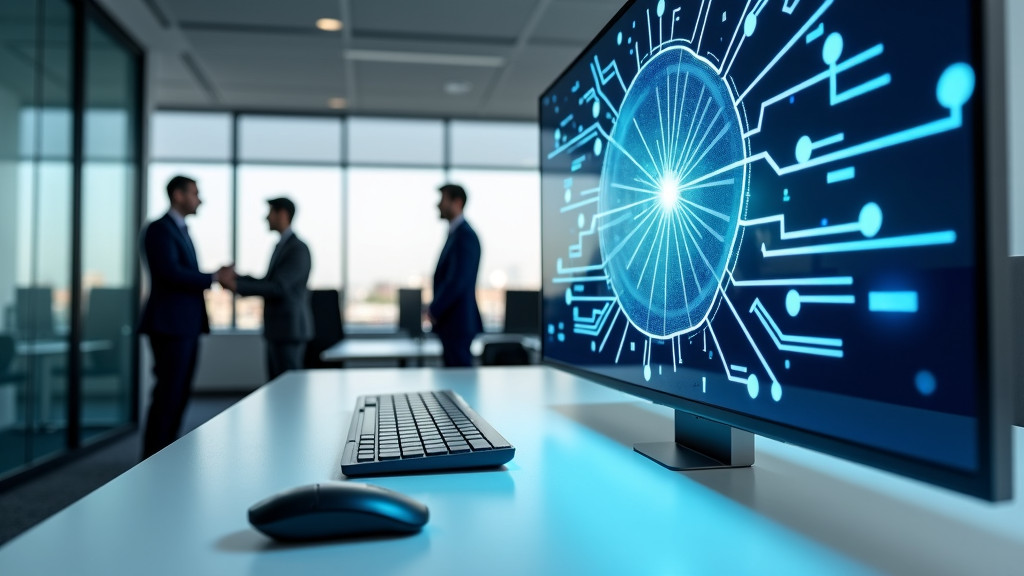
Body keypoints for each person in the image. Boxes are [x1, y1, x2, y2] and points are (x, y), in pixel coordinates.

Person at [140, 175, 230, 459]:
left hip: (185, 325)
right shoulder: (159, 229)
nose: (199, 199)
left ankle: (166, 454)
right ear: (177, 195)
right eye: (194, 193)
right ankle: (153, 459)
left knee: (179, 395)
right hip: (170, 325)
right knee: (167, 395)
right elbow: (170, 273)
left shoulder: (179, 230)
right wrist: (214, 276)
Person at [219, 197, 313, 380]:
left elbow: (279, 287)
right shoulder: (282, 246)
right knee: (278, 387)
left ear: (283, 214)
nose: (266, 218)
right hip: (279, 329)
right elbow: (270, 281)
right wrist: (238, 278)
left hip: (289, 329)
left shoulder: (297, 248)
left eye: (270, 212)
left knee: (289, 387)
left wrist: (236, 285)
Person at [428, 183, 483, 367]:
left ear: (457, 202)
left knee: (461, 384)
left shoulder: (465, 236)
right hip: (452, 323)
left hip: (457, 323)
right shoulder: (455, 234)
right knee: (454, 384)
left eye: (442, 200)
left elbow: (457, 281)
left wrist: (433, 309)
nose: (438, 205)